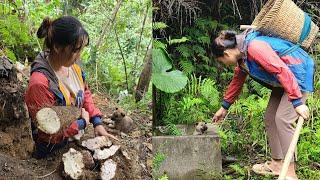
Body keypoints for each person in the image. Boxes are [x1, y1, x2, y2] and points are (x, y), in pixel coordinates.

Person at [211, 29, 314, 179]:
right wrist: (224, 107)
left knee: (283, 119)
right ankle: (277, 164)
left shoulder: (254, 48)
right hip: (283, 80)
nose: (224, 64)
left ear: (226, 54)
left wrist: (297, 102)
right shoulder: (242, 56)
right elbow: (237, 81)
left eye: (222, 61)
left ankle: (290, 172)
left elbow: (281, 70)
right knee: (270, 117)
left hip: (297, 73)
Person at [25, 16, 116, 159]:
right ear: (57, 47)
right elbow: (47, 132)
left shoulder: (73, 67)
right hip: (52, 151)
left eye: (81, 50)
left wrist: (96, 122)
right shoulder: (40, 84)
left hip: (72, 141)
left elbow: (84, 93)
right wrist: (82, 123)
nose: (79, 56)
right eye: (75, 50)